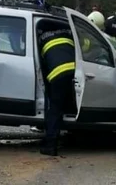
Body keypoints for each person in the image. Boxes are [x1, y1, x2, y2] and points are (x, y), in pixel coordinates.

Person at [37, 24, 76, 156]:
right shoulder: (67, 31)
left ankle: (50, 145)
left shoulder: (41, 37)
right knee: (71, 102)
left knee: (54, 108)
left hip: (57, 73)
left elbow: (41, 64)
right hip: (74, 71)